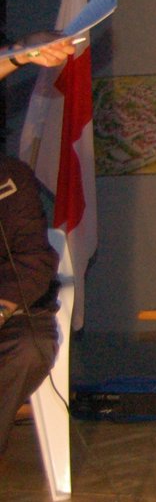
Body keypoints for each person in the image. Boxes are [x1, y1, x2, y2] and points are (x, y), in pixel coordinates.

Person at [0, 155, 57, 462]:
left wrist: (2, 309)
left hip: (14, 311)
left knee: (29, 350)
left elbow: (34, 260)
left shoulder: (11, 179)